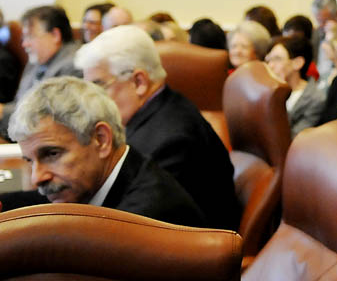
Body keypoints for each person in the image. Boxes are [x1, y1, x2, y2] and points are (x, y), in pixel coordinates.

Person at [74, 25, 239, 230]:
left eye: (98, 86)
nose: (90, 100)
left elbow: (130, 225)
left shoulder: (172, 141)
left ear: (139, 82)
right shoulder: (158, 113)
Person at [2, 76, 206, 227]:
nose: (37, 177)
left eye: (52, 154)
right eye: (30, 160)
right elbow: (40, 202)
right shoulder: (99, 179)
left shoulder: (144, 219)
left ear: (101, 140)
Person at [0, 5, 82, 140]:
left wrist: (3, 111)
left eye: (30, 37)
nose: (24, 44)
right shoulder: (36, 60)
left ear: (55, 35)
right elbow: (19, 102)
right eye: (23, 38)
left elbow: (50, 118)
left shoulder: (74, 66)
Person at [265, 35, 324, 138]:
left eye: (277, 59)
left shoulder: (315, 99)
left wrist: (279, 95)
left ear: (297, 63)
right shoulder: (266, 89)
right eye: (269, 60)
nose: (271, 66)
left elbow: (294, 138)